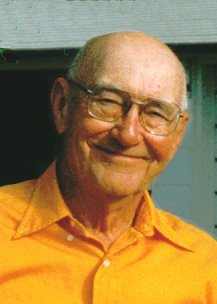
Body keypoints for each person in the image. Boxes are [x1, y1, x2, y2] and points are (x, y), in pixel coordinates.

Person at [0, 31, 217, 303]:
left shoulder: (206, 267)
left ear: (177, 135)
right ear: (62, 105)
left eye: (155, 113)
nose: (128, 134)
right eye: (108, 101)